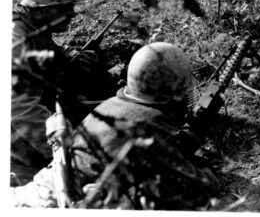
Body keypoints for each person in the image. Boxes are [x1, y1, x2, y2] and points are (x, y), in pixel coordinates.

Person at [11, 42, 217, 209]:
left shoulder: (110, 105)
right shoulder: (150, 124)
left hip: (37, 190)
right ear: (172, 91)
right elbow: (201, 188)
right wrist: (202, 160)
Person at [11, 0, 105, 185]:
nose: (73, 13)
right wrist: (64, 149)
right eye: (66, 8)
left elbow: (52, 49)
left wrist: (74, 56)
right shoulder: (15, 40)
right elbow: (20, 109)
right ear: (43, 10)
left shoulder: (34, 26)